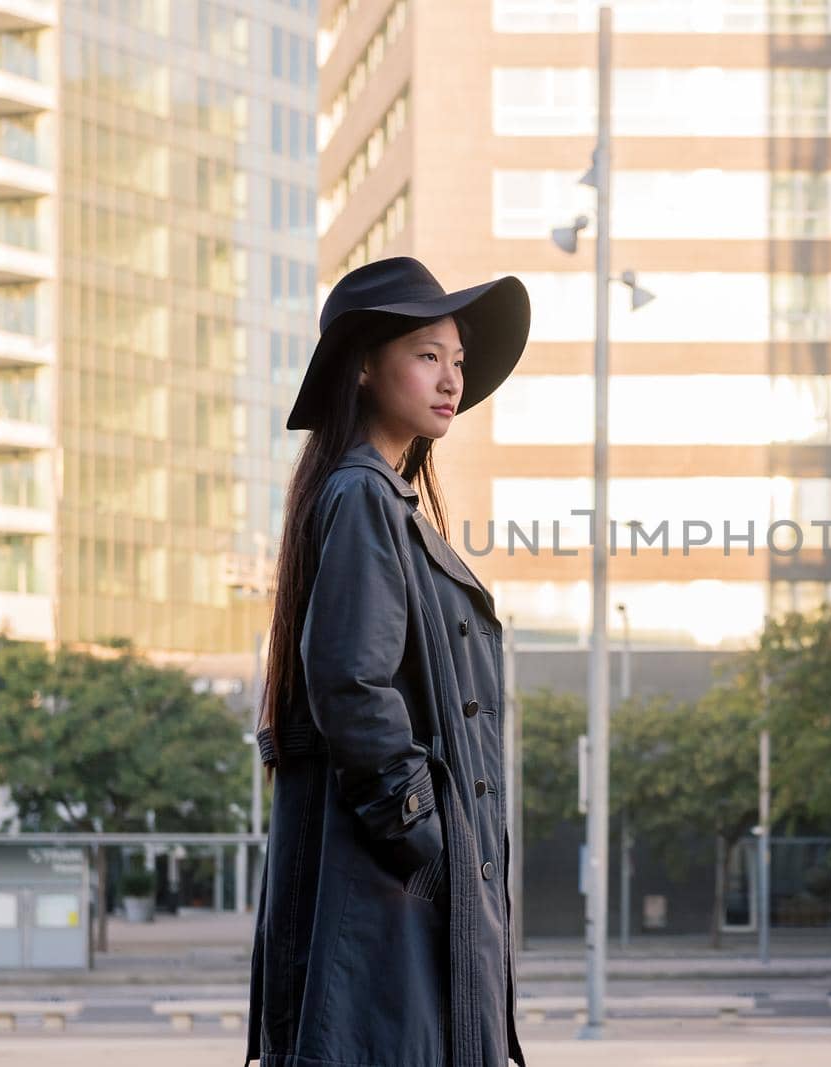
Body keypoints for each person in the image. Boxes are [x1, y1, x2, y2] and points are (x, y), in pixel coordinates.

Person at [244, 256, 531, 1067]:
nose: (451, 379)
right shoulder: (365, 495)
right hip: (383, 901)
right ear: (366, 367)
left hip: (393, 900)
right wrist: (429, 840)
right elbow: (351, 684)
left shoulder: (371, 497)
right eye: (427, 355)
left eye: (458, 360)